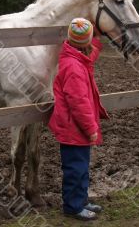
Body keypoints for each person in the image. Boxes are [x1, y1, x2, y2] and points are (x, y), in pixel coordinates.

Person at [48, 18, 109, 221]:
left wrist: (97, 38)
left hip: (76, 128)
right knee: (75, 169)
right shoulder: (73, 68)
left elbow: (91, 53)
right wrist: (91, 128)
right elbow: (79, 103)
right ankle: (72, 207)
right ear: (85, 42)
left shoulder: (76, 57)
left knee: (82, 167)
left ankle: (81, 200)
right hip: (73, 129)